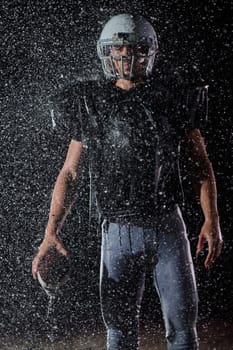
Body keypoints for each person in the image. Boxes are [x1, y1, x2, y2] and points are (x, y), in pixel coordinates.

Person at [32, 13, 223, 350]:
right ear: (107, 53)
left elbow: (199, 163)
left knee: (182, 326)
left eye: (132, 50)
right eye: (118, 50)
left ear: (147, 53)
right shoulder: (93, 102)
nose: (124, 57)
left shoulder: (171, 96)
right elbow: (70, 173)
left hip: (167, 226)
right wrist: (51, 231)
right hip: (116, 229)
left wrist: (212, 219)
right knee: (118, 331)